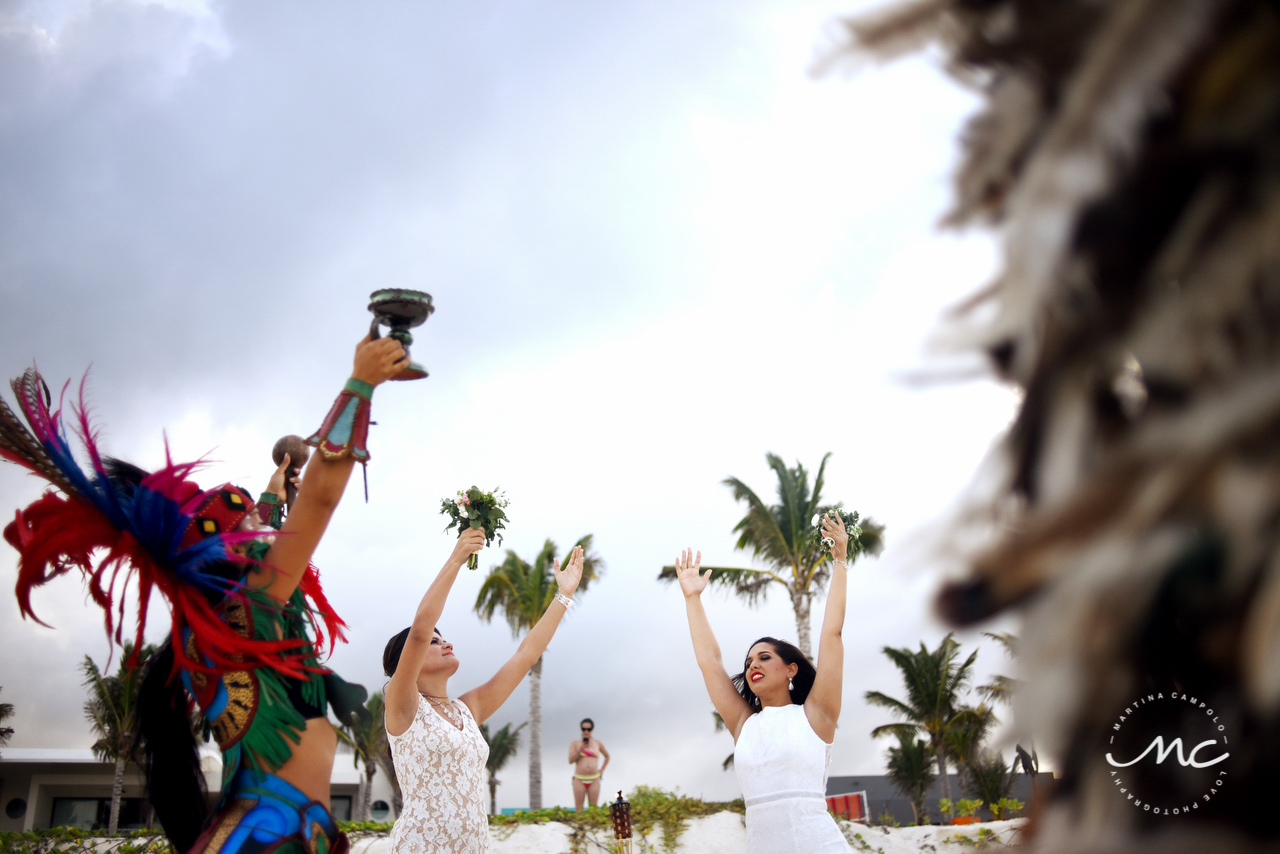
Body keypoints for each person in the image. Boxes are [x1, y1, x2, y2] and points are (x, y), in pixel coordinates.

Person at [1, 333, 408, 854]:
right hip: (269, 835)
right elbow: (322, 500)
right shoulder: (242, 609)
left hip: (283, 828)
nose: (256, 537)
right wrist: (361, 382)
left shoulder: (215, 623)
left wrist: (277, 482)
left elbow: (264, 522)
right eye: (240, 533)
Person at [382, 536, 586, 854]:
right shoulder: (402, 706)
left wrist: (563, 596)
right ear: (410, 660)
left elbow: (526, 656)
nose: (446, 643)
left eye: (444, 638)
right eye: (435, 643)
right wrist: (456, 559)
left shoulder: (469, 709)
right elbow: (421, 628)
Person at [672, 512, 853, 854]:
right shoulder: (744, 725)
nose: (753, 664)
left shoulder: (816, 716)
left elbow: (832, 634)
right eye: (749, 661)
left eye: (765, 657)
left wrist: (840, 561)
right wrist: (693, 599)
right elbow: (709, 663)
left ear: (791, 670)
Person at [568, 717, 609, 810]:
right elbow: (570, 760)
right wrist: (580, 749)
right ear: (581, 729)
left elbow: (607, 756)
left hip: (594, 778)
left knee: (593, 809)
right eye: (584, 729)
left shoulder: (597, 743)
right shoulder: (575, 743)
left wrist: (602, 770)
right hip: (579, 778)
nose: (586, 731)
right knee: (579, 809)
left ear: (592, 730)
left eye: (588, 729)